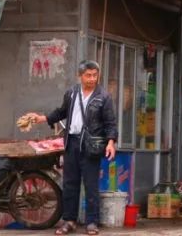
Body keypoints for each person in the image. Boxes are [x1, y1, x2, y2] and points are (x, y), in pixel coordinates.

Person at [21, 60, 117, 236]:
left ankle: (92, 222)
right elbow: (61, 112)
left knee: (91, 186)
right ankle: (69, 221)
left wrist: (111, 142)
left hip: (91, 145)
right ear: (79, 76)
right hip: (71, 143)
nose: (92, 79)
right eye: (88, 75)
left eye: (95, 75)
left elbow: (110, 122)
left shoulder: (103, 96)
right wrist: (41, 118)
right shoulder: (71, 93)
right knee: (70, 184)